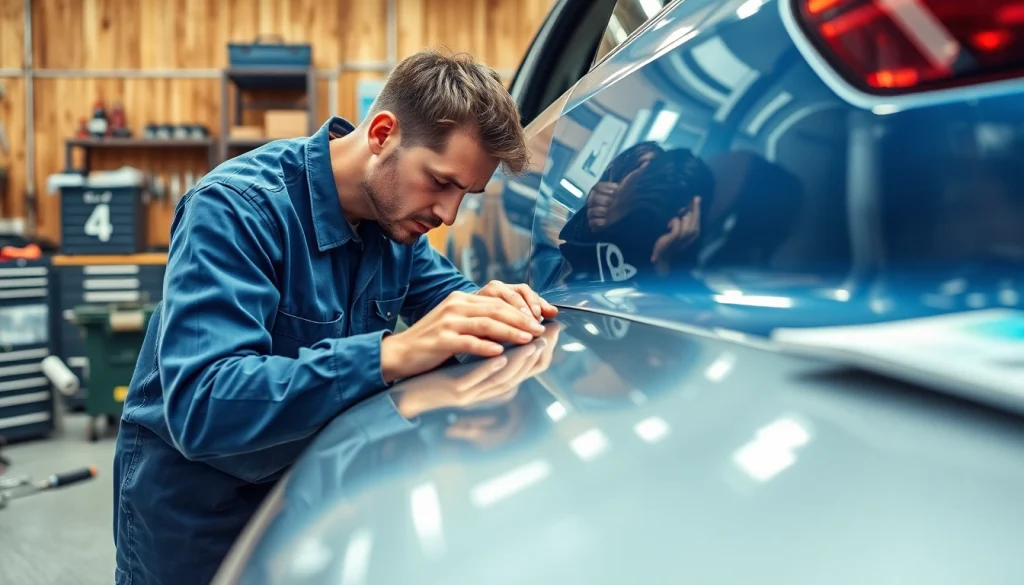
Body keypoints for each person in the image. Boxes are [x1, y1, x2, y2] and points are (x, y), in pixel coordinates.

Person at [112, 49, 558, 585]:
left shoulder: (395, 226)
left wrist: (506, 313)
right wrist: (392, 353)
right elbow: (203, 405)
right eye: (441, 182)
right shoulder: (236, 209)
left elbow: (461, 313)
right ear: (382, 134)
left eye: (466, 194)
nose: (448, 215)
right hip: (195, 508)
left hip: (303, 490)